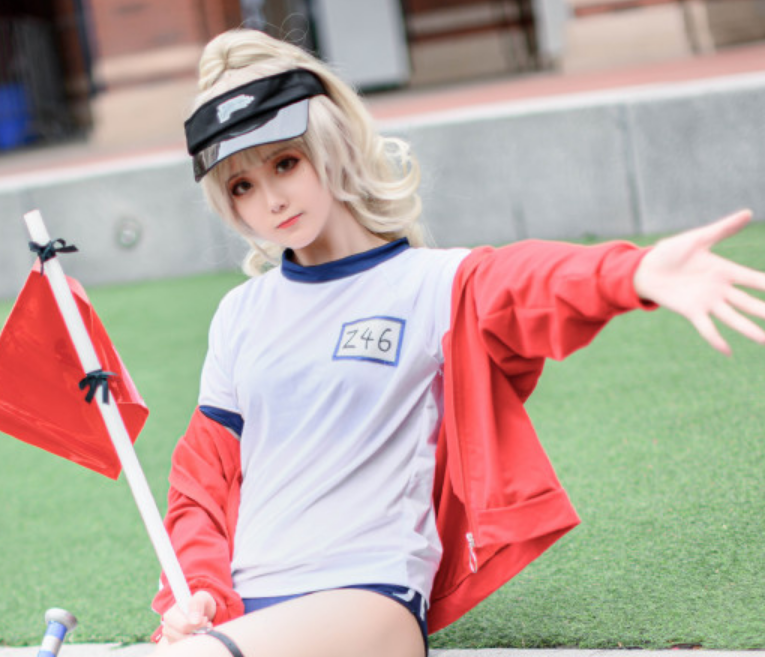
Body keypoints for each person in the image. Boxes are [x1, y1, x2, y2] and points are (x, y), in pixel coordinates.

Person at [149, 28, 765, 657]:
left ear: (329, 148)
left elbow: (527, 282)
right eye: (242, 186)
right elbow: (202, 483)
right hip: (246, 610)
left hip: (366, 598)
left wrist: (633, 272)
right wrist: (197, 591)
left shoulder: (431, 284)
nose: (272, 199)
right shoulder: (240, 314)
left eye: (286, 163)